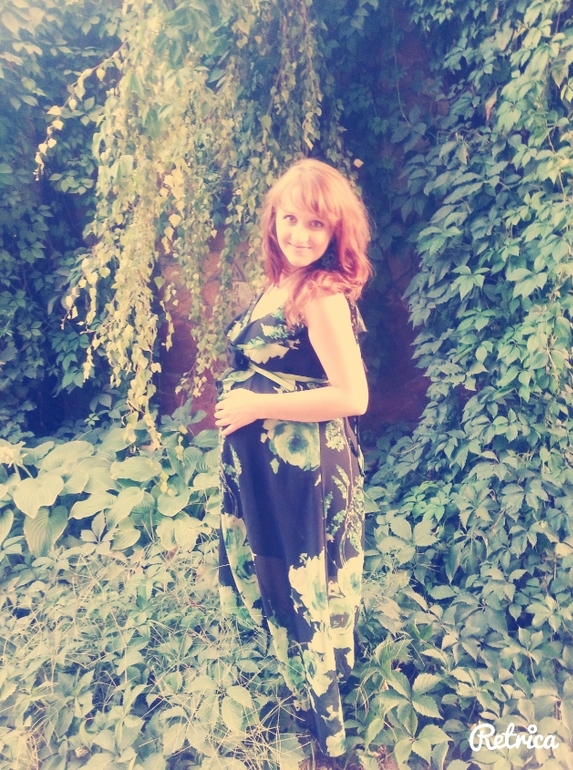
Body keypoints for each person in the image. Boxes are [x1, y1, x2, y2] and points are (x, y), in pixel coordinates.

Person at [214, 158, 372, 759]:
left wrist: (255, 406)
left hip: (305, 473)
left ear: (335, 231)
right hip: (275, 471)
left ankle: (328, 740)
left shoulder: (321, 295)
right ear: (272, 220)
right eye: (290, 219)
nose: (300, 234)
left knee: (306, 590)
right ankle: (307, 699)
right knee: (289, 583)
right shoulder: (284, 281)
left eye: (315, 223)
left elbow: (352, 397)